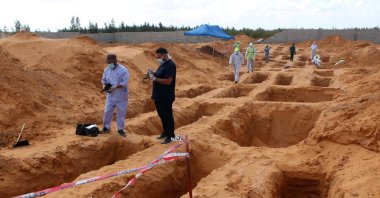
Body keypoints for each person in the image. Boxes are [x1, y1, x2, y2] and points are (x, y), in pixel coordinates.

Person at [148, 47, 177, 144]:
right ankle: (165, 132)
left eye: (159, 57)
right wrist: (154, 74)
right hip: (158, 96)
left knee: (167, 115)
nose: (158, 59)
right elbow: (161, 75)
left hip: (166, 96)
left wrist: (155, 79)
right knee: (162, 115)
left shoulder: (170, 65)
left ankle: (171, 136)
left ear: (164, 55)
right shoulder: (163, 64)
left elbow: (168, 81)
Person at [101, 54, 129, 137]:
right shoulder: (107, 69)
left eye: (111, 62)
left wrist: (115, 86)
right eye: (108, 62)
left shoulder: (123, 70)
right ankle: (106, 127)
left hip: (121, 96)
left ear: (115, 61)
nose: (109, 64)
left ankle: (120, 129)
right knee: (107, 112)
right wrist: (104, 86)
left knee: (121, 113)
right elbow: (104, 79)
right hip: (110, 96)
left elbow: (124, 82)